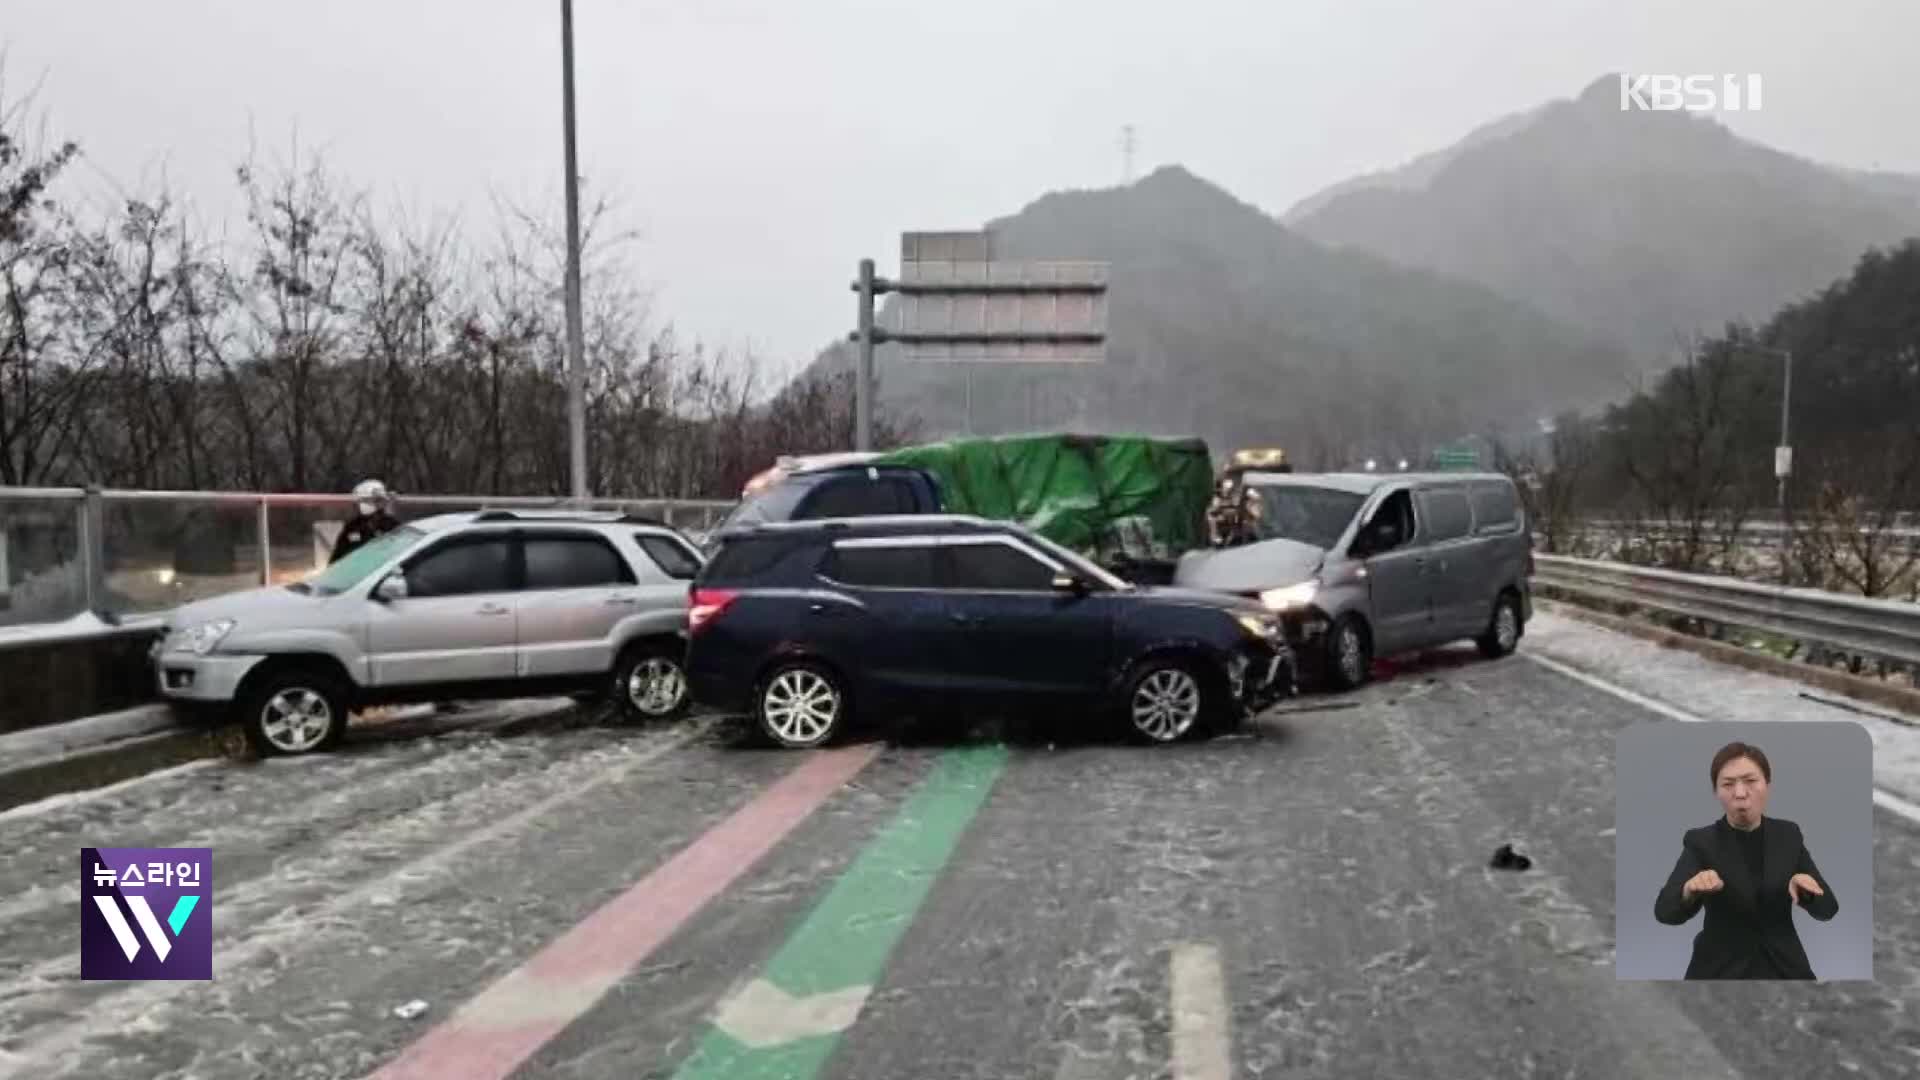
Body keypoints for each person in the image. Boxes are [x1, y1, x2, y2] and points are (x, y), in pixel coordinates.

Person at [1653, 741, 1838, 979]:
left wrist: (1808, 892)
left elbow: (1829, 909)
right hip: (1720, 971)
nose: (1740, 793)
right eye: (1728, 784)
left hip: (1784, 967)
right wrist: (1690, 890)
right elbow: (1664, 912)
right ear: (1716, 792)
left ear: (1767, 785)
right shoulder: (1702, 842)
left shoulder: (1788, 835)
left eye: (1751, 781)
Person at [329, 480, 401, 565]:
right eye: (378, 500)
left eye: (380, 500)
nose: (382, 504)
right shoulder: (352, 527)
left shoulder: (391, 525)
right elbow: (336, 558)